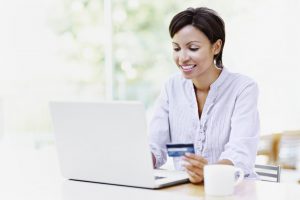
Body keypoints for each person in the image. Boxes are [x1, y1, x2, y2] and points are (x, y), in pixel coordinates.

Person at [149, 7, 259, 184]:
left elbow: (241, 151)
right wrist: (141, 160)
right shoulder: (171, 87)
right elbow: (156, 145)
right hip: (187, 190)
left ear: (216, 47)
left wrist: (210, 172)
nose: (182, 58)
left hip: (233, 189)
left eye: (193, 48)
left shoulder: (243, 88)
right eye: (176, 48)